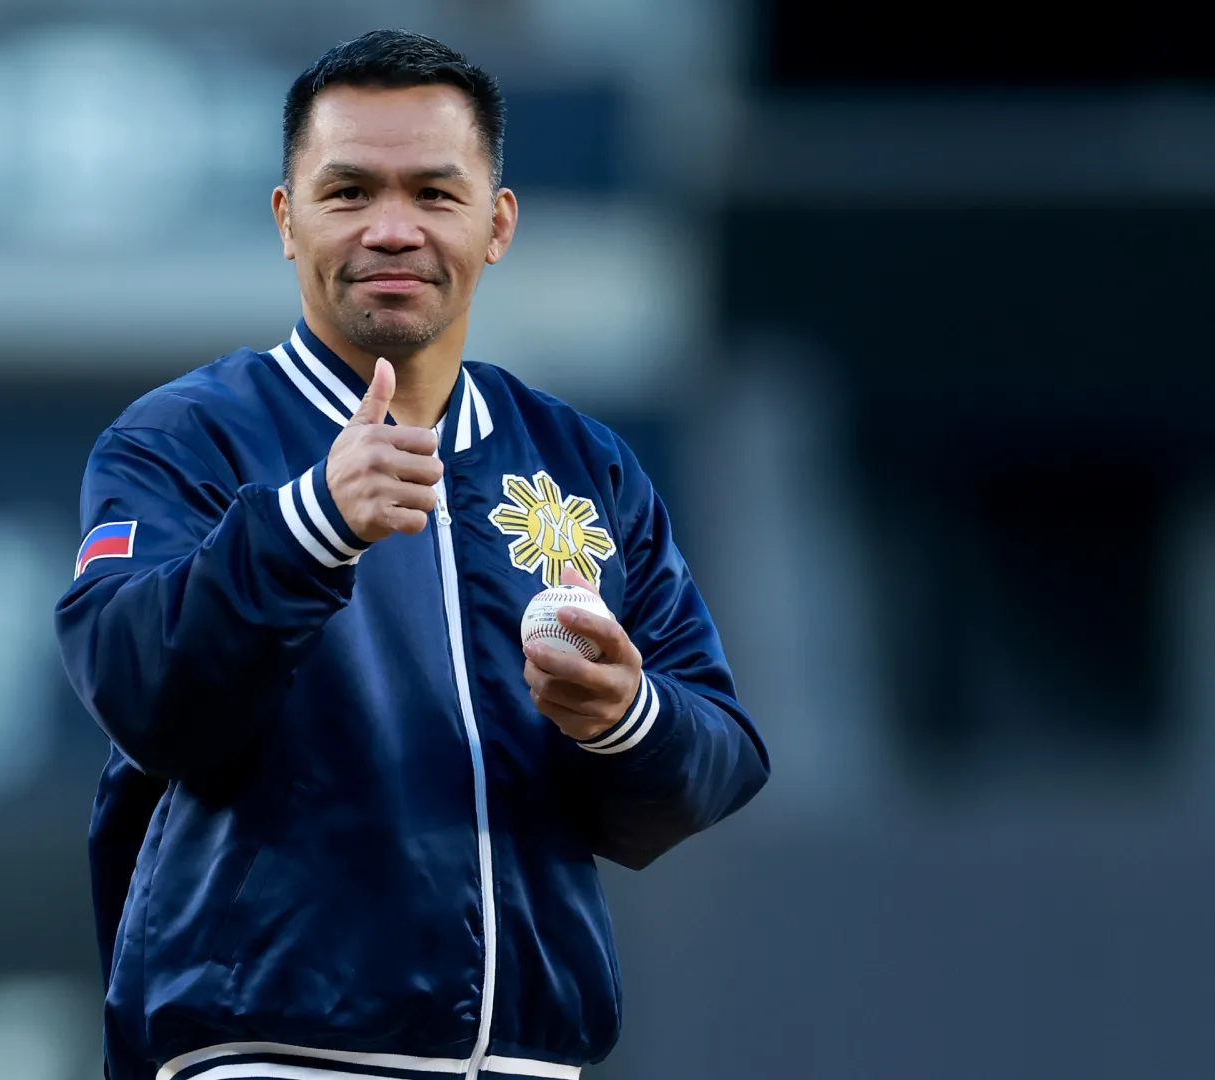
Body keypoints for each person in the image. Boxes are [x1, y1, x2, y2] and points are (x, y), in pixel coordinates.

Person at [55, 29, 769, 1080]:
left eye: (435, 193)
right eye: (349, 192)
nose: (392, 230)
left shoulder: (581, 463)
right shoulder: (184, 438)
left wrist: (622, 719)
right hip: (276, 1054)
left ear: (498, 223)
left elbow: (720, 754)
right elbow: (138, 688)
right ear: (286, 219)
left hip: (526, 1063)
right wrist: (311, 524)